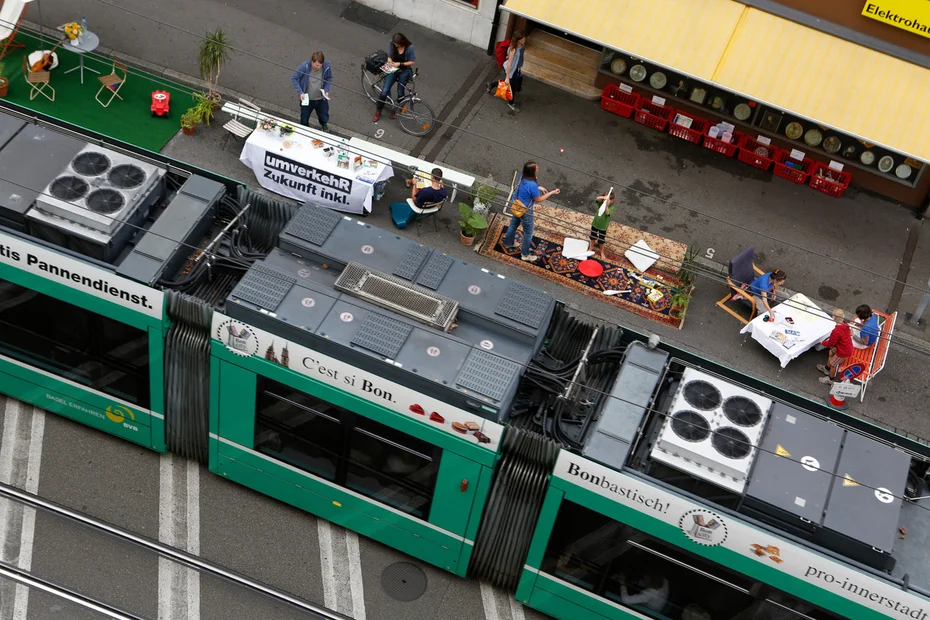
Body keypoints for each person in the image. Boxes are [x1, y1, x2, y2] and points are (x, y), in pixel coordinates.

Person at [502, 161, 560, 262]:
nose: (538, 168)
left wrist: (539, 187)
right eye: (536, 168)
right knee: (528, 233)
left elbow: (523, 187)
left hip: (516, 204)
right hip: (525, 210)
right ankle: (525, 255)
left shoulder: (522, 176)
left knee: (513, 224)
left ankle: (508, 243)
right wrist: (552, 192)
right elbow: (538, 199)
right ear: (532, 171)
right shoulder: (532, 185)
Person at [373, 33, 416, 122]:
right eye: (394, 44)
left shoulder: (410, 47)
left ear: (402, 43)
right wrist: (390, 61)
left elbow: (412, 61)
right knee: (384, 91)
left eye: (397, 44)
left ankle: (397, 111)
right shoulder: (391, 43)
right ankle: (378, 111)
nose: (395, 45)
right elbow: (389, 56)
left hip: (404, 70)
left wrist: (400, 64)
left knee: (400, 92)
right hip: (393, 68)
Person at [290, 51, 333, 130]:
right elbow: (294, 78)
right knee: (304, 118)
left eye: (320, 65)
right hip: (307, 98)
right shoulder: (304, 66)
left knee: (323, 115)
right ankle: (305, 129)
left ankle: (324, 124)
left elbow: (329, 78)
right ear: (312, 62)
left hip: (321, 98)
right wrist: (300, 92)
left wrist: (326, 90)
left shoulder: (326, 66)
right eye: (317, 65)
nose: (319, 67)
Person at [487, 30, 525, 113]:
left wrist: (519, 69)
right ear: (518, 40)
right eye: (521, 40)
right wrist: (508, 77)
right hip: (510, 69)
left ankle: (491, 85)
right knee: (512, 87)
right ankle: (511, 103)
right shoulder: (513, 49)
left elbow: (520, 59)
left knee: (511, 83)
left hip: (516, 69)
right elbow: (509, 64)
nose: (523, 40)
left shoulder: (522, 46)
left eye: (523, 38)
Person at [817, 309, 853, 384]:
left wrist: (822, 342)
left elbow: (830, 344)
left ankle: (831, 379)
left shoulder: (836, 331)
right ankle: (826, 368)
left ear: (834, 318)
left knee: (833, 364)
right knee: (831, 352)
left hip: (843, 351)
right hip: (845, 347)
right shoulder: (845, 324)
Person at [588, 192, 615, 259]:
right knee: (592, 236)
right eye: (604, 199)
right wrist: (603, 198)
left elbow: (607, 213)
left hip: (602, 227)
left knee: (601, 240)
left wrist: (606, 206)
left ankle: (602, 252)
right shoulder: (601, 204)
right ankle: (591, 248)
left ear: (612, 201)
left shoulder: (611, 208)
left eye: (608, 200)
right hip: (595, 224)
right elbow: (597, 199)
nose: (605, 201)